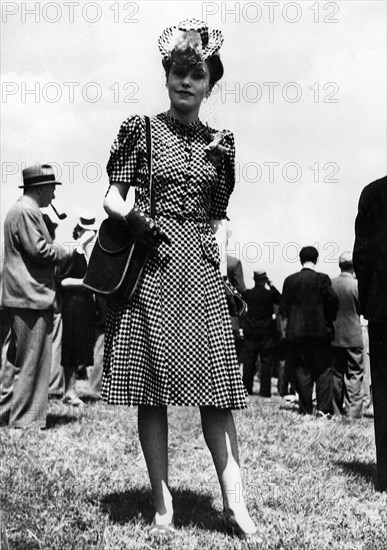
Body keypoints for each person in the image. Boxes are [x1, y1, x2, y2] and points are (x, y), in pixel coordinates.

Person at [101, 19, 261, 542]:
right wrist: (133, 220)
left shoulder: (222, 142)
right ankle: (163, 502)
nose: (185, 82)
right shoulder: (140, 129)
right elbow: (112, 196)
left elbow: (219, 217)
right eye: (177, 72)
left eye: (197, 75)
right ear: (166, 75)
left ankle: (234, 503)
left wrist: (222, 273)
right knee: (152, 392)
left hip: (198, 264)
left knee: (219, 391)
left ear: (211, 83)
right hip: (151, 264)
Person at [0, 164, 91, 429]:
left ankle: (10, 412)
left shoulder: (20, 210)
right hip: (30, 296)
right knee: (34, 361)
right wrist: (70, 252)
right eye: (52, 188)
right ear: (40, 188)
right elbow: (40, 250)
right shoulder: (27, 212)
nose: (53, 194)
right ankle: (26, 420)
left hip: (20, 296)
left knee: (15, 361)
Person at [353, 175, 387, 491]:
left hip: (382, 308)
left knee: (384, 391)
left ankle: (386, 475)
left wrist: (368, 303)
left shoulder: (373, 192)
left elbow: (361, 256)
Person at [280, 246, 339, 417]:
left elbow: (283, 308)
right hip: (320, 333)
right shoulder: (322, 279)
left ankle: (305, 408)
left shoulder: (290, 280)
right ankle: (323, 409)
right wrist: (328, 318)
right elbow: (333, 300)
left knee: (302, 370)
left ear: (300, 259)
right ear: (316, 259)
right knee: (323, 371)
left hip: (297, 334)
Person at [60, 212, 98, 406]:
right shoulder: (73, 250)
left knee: (79, 348)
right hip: (73, 305)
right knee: (71, 348)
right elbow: (63, 281)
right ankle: (69, 391)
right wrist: (86, 282)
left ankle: (71, 390)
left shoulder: (83, 251)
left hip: (83, 305)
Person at [331, 251, 364, 417]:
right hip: (354, 335)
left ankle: (336, 410)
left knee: (336, 374)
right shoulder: (358, 285)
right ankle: (353, 411)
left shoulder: (330, 283)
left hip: (335, 335)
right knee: (355, 373)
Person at [242, 269, 281, 396]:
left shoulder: (248, 293)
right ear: (265, 280)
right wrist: (272, 285)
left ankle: (247, 389)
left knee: (249, 362)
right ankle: (265, 391)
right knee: (266, 362)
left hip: (251, 331)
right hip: (267, 332)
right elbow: (280, 299)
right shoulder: (270, 294)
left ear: (254, 280)